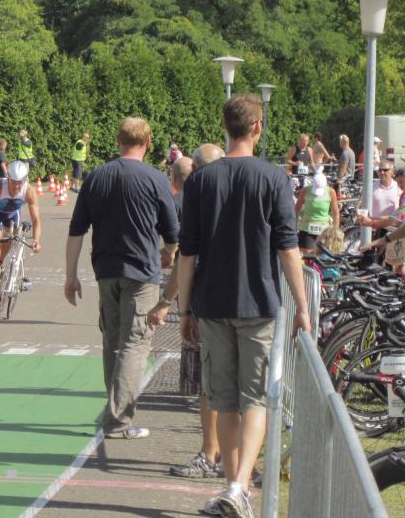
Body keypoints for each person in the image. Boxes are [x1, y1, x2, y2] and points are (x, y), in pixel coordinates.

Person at [177, 94, 310, 517]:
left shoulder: (200, 181)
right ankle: (238, 488)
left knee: (225, 400)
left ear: (226, 127)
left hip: (211, 303)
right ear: (257, 127)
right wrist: (303, 306)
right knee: (254, 398)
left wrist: (184, 309)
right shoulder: (274, 178)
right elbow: (288, 249)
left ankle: (235, 489)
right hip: (257, 302)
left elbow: (187, 253)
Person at [65, 117, 178, 439]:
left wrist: (71, 275)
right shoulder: (156, 178)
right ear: (148, 143)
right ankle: (118, 420)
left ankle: (114, 411)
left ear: (118, 141)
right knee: (135, 344)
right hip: (141, 272)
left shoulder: (96, 177)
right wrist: (169, 251)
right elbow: (172, 231)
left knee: (113, 342)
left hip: (106, 270)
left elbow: (76, 230)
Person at [148, 144, 226, 482]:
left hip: (206, 305)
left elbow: (186, 258)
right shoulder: (239, 194)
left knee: (208, 385)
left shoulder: (198, 199)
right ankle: (232, 458)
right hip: (243, 305)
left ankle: (211, 454)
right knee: (239, 388)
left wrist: (170, 304)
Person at [0, 161, 42, 309]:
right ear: (8, 178)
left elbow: (36, 220)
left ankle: (2, 264)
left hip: (11, 216)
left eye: (20, 183)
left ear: (25, 180)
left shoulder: (29, 191)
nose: (17, 187)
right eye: (14, 183)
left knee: (8, 245)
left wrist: (36, 240)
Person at [295, 169, 340, 253]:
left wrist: (335, 231)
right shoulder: (305, 190)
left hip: (324, 230)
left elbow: (335, 213)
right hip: (306, 228)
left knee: (322, 255)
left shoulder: (331, 192)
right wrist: (293, 227)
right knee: (307, 254)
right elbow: (296, 209)